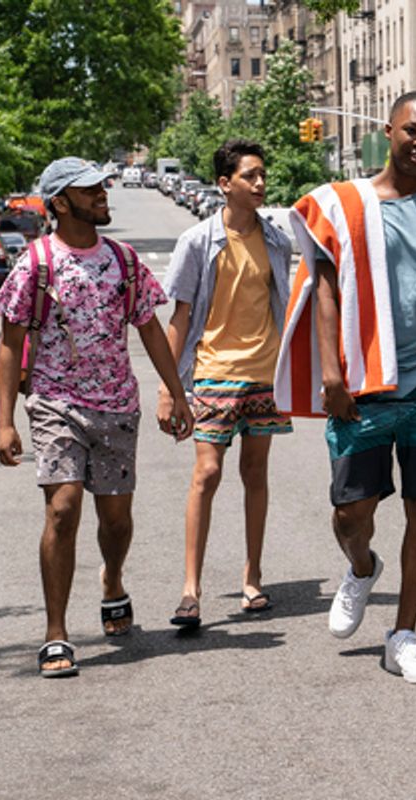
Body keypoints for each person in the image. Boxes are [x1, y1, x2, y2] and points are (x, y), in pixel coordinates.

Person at [274, 91, 416, 684]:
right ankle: (362, 567)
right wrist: (330, 373)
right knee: (350, 512)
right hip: (361, 384)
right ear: (389, 131)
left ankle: (405, 635)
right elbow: (324, 290)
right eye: (413, 131)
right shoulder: (345, 206)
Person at [0, 157, 189, 678]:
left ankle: (113, 579)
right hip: (56, 404)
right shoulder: (36, 263)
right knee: (63, 509)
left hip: (118, 405)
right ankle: (56, 632)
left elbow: (149, 327)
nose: (103, 193)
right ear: (60, 202)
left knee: (116, 520)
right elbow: (11, 344)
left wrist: (178, 392)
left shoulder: (124, 261)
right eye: (90, 189)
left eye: (102, 185)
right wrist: (5, 420)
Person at [157, 139, 293, 628]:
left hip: (264, 372)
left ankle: (252, 576)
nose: (259, 184)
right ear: (224, 184)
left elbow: (288, 308)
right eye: (250, 176)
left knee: (256, 476)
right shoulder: (197, 241)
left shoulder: (277, 240)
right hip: (213, 371)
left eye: (262, 176)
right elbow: (180, 317)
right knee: (206, 474)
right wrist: (170, 390)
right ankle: (190, 589)